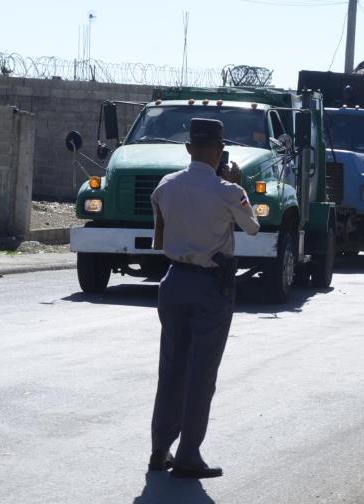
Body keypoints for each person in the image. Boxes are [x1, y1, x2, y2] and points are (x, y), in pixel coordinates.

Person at [148, 118, 260, 479]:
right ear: (220, 151)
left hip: (174, 280)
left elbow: (160, 235)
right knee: (201, 375)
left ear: (189, 149)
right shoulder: (227, 191)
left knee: (171, 370)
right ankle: (189, 455)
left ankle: (159, 450)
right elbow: (253, 227)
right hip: (211, 286)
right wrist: (237, 187)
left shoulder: (165, 186)